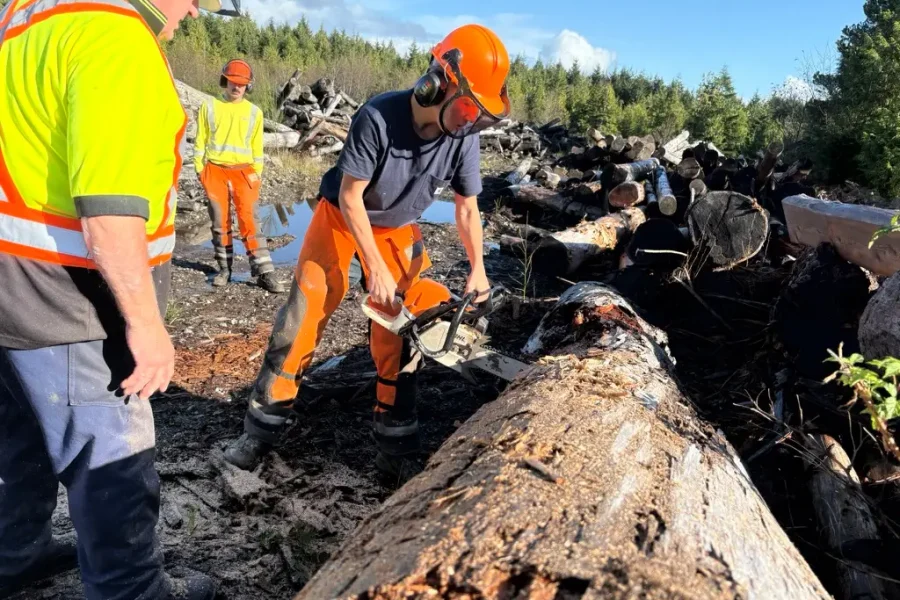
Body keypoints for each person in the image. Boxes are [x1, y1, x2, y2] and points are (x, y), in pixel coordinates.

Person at [0, 0, 226, 597]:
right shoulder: (116, 40)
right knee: (113, 464)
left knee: (19, 436)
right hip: (67, 301)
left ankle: (15, 553)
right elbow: (108, 212)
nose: (197, 11)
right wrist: (147, 327)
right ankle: (130, 590)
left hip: (9, 289)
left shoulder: (27, 19)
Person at [224, 24, 511, 477]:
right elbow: (350, 196)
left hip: (397, 226)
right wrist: (372, 266)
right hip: (341, 215)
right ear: (437, 84)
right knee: (304, 315)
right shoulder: (379, 117)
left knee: (403, 325)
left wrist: (478, 269)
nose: (470, 121)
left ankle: (394, 447)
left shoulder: (464, 138)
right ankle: (260, 430)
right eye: (466, 108)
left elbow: (468, 209)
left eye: (480, 114)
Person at [194, 59, 284, 293]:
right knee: (219, 222)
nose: (237, 88)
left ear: (248, 86)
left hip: (244, 172)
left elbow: (257, 149)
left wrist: (256, 175)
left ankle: (265, 273)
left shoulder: (255, 113)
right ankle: (224, 269)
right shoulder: (210, 106)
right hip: (214, 170)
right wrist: (199, 168)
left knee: (250, 221)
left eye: (242, 84)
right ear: (225, 81)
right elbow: (200, 139)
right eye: (233, 83)